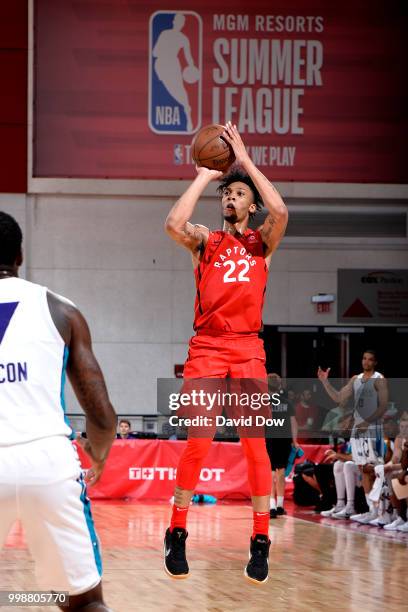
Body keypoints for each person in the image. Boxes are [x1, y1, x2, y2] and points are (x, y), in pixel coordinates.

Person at [163, 122, 288, 583]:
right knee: (199, 441)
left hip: (248, 350)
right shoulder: (206, 241)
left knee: (255, 446)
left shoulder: (262, 243)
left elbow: (281, 210)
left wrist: (246, 162)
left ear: (250, 205)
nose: (230, 199)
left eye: (238, 194)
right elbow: (173, 224)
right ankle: (176, 531)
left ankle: (260, 541)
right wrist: (203, 176)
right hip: (208, 348)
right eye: (226, 194)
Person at [0, 212, 117, 611]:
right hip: (46, 461)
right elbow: (101, 415)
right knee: (83, 603)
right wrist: (98, 455)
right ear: (19, 254)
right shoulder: (60, 310)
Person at [318, 349, 388, 525]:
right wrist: (325, 382)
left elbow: (383, 406)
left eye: (370, 359)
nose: (366, 362)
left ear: (375, 362)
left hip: (372, 428)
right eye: (364, 358)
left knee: (374, 468)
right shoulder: (355, 379)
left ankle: (382, 511)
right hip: (358, 430)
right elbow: (339, 398)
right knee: (363, 468)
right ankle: (370, 510)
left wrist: (368, 421)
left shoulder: (379, 379)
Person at [153, 13, 198, 132]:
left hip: (173, 65)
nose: (179, 24)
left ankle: (187, 113)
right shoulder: (165, 34)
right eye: (177, 21)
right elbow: (155, 52)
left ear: (182, 24)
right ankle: (186, 109)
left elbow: (189, 57)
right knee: (169, 90)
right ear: (174, 22)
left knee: (180, 91)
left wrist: (192, 67)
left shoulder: (183, 39)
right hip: (161, 66)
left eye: (181, 22)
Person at [265, 373, 299, 518]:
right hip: (284, 440)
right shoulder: (287, 402)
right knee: (281, 472)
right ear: (279, 385)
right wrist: (295, 440)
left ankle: (271, 506)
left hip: (270, 439)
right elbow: (293, 422)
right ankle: (279, 505)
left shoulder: (263, 401)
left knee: (270, 472)